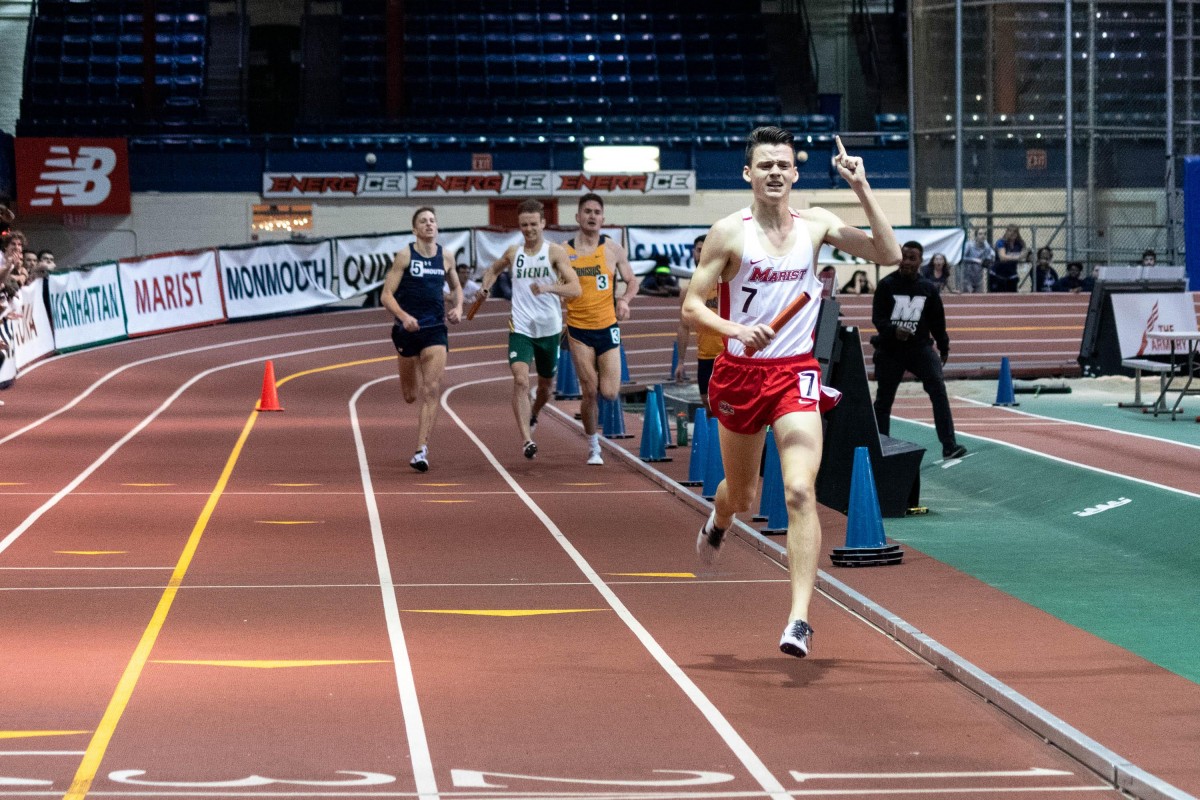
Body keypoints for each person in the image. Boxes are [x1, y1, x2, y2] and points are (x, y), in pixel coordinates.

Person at [683, 128, 901, 659]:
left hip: (795, 374)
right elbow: (691, 307)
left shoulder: (817, 224)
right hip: (740, 373)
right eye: (765, 165)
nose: (775, 172)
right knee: (742, 495)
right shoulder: (728, 233)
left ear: (796, 173)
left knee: (800, 490)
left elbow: (889, 253)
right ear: (748, 174)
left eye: (783, 164)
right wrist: (736, 330)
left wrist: (862, 187)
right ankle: (721, 518)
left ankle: (799, 619)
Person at [478, 198, 581, 459]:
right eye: (524, 225)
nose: (529, 229)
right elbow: (493, 270)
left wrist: (548, 287)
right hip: (521, 327)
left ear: (543, 223)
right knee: (521, 380)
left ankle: (534, 412)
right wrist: (485, 286)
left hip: (549, 329)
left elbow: (575, 289)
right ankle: (526, 440)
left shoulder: (555, 252)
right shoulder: (514, 253)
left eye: (533, 224)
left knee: (545, 386)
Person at [381, 207, 462, 472]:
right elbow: (386, 295)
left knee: (432, 389)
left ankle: (421, 450)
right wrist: (404, 317)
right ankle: (414, 361)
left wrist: (458, 307)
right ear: (415, 229)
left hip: (435, 328)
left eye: (432, 220)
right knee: (410, 395)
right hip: (407, 330)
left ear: (437, 226)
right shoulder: (405, 255)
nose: (429, 224)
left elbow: (456, 287)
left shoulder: (446, 256)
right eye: (423, 221)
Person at [871, 239, 967, 464]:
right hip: (891, 349)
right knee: (883, 400)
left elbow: (938, 322)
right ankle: (880, 448)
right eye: (903, 257)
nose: (906, 262)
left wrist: (943, 346)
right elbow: (878, 318)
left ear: (920, 261)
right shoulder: (886, 285)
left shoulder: (928, 288)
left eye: (911, 258)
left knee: (938, 390)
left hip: (920, 348)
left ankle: (949, 445)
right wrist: (894, 331)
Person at [564, 192, 637, 465]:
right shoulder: (564, 251)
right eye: (587, 211)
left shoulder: (613, 250)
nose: (592, 216)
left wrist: (624, 300)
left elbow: (632, 281)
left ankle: (595, 437)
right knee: (590, 390)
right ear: (578, 217)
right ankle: (593, 446)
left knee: (610, 392)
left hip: (607, 327)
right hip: (578, 329)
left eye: (596, 212)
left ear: (603, 218)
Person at [673, 235, 722, 415]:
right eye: (699, 250)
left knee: (729, 405)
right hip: (705, 355)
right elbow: (683, 326)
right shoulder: (688, 290)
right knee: (707, 402)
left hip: (728, 354)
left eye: (705, 250)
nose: (702, 254)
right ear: (693, 253)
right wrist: (680, 361)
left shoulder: (726, 283)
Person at [991, 225, 1027, 292]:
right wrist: (1018, 257)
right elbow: (1002, 257)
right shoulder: (1001, 242)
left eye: (1015, 232)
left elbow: (1024, 254)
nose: (1012, 233)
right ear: (1006, 232)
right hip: (998, 274)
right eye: (1010, 231)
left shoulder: (1020, 244)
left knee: (1012, 295)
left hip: (1011, 274)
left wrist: (1025, 255)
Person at [959, 227, 993, 294]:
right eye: (980, 234)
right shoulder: (969, 245)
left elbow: (989, 259)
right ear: (976, 236)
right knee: (968, 298)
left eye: (984, 234)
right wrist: (975, 260)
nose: (982, 236)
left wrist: (988, 261)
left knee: (979, 298)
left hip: (979, 278)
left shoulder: (986, 247)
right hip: (967, 278)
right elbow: (962, 258)